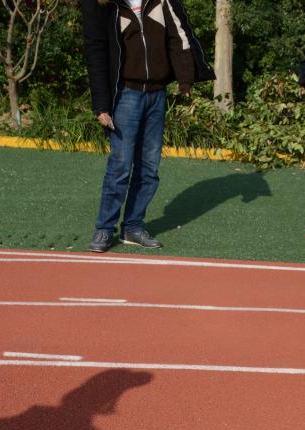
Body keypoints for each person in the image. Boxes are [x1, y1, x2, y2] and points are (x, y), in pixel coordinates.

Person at [82, 0, 213, 253]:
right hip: (125, 95)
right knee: (120, 167)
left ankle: (133, 226)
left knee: (149, 168)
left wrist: (185, 77)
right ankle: (104, 229)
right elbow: (96, 52)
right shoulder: (102, 4)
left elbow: (178, 34)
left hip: (157, 95)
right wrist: (101, 105)